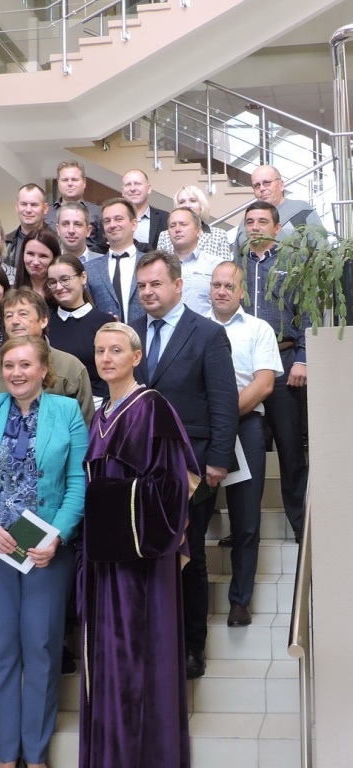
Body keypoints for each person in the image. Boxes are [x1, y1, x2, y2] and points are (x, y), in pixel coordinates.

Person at [0, 335, 88, 768]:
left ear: (44, 369)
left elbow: (78, 481)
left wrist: (58, 534)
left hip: (45, 551)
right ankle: (7, 753)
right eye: (9, 365)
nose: (16, 373)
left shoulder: (66, 412)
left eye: (26, 365)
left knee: (42, 649)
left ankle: (36, 753)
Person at [78, 322, 199, 768]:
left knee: (137, 659)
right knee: (108, 659)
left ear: (136, 356)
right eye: (99, 351)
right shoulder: (101, 412)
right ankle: (110, 766)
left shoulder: (152, 407)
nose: (106, 358)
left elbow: (174, 485)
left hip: (140, 559)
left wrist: (106, 502)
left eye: (116, 350)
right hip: (105, 558)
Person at [132, 250, 238, 679]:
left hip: (191, 464)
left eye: (155, 284)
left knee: (188, 553)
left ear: (178, 285)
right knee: (145, 552)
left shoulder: (207, 333)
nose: (147, 292)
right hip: (138, 465)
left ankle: (193, 645)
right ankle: (153, 639)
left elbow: (224, 401)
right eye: (141, 286)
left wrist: (218, 460)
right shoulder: (130, 332)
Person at [208, 261, 284, 626]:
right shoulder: (195, 327)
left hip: (245, 425)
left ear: (242, 292)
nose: (222, 291)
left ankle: (240, 600)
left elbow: (264, 384)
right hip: (202, 432)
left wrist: (223, 418)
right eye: (216, 285)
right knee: (193, 514)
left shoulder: (258, 328)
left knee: (246, 520)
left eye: (229, 286)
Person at [242, 200, 309, 539]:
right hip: (245, 366)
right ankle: (245, 526)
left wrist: (303, 358)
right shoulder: (236, 266)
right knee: (247, 448)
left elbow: (308, 314)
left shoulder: (292, 264)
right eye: (250, 221)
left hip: (284, 362)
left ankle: (301, 526)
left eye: (262, 221)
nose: (255, 227)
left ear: (277, 227)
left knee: (290, 448)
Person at [0, 286, 95, 425]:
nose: (15, 321)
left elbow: (85, 425)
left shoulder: (70, 366)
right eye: (8, 316)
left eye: (23, 314)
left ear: (43, 320)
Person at [45, 254, 111, 407]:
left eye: (65, 279)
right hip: (52, 404)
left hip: (95, 405)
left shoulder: (104, 323)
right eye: (53, 282)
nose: (59, 287)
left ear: (83, 278)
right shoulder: (45, 323)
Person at [234, 165, 325, 256]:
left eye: (267, 183)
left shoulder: (301, 210)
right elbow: (237, 259)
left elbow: (322, 251)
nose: (262, 188)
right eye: (257, 185)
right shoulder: (248, 219)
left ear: (281, 185)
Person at [85, 199, 145, 322]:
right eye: (107, 221)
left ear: (134, 224)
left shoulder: (151, 263)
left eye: (118, 219)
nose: (112, 225)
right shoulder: (89, 269)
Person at [167, 207, 223, 316]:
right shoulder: (160, 265)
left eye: (183, 224)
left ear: (198, 231)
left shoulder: (216, 265)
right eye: (172, 226)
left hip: (204, 325)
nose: (177, 229)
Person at [44, 160, 107, 253]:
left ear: (84, 183)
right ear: (58, 183)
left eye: (74, 179)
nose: (70, 184)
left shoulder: (99, 212)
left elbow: (104, 247)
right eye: (65, 180)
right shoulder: (46, 213)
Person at [157, 185, 232, 260]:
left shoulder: (219, 235)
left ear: (201, 206)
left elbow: (226, 266)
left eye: (193, 201)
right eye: (182, 202)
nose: (187, 205)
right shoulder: (165, 236)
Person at [3, 183, 52, 268]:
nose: (28, 210)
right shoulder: (5, 243)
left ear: (45, 208)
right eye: (24, 204)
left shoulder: (59, 241)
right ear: (16, 207)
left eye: (34, 205)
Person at [121, 168, 169, 250]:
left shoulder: (165, 218)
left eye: (137, 184)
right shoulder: (111, 221)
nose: (132, 189)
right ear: (122, 191)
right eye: (128, 184)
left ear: (149, 189)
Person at [14, 227, 60, 299]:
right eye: (30, 254)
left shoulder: (62, 293)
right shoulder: (12, 293)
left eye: (43, 256)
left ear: (54, 258)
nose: (35, 262)